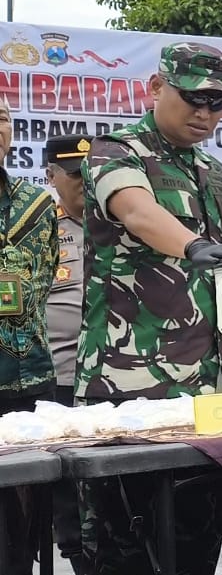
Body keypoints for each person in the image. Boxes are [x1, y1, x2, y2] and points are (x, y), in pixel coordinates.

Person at [75, 42, 222, 575]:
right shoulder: (116, 151)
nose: (204, 113)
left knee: (198, 544)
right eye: (192, 98)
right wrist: (193, 245)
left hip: (204, 392)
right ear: (156, 88)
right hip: (126, 391)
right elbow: (137, 211)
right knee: (126, 553)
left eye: (216, 103)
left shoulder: (214, 171)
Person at [0, 99, 56, 575]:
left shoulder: (35, 205)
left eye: (1, 118)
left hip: (28, 377)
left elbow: (42, 280)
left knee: (28, 525)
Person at [45, 133, 91, 574]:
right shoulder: (39, 230)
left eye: (91, 172)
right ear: (51, 176)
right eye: (75, 174)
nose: (85, 182)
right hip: (60, 380)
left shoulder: (123, 223)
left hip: (115, 377)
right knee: (68, 501)